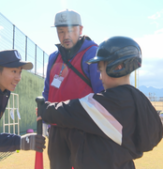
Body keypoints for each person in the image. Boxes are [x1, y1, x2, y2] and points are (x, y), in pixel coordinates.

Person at [38, 36, 163, 169]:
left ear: (118, 67)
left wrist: (44, 110)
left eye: (102, 70)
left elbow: (71, 110)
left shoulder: (111, 103)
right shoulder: (138, 100)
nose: (99, 76)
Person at [42, 9, 104, 168]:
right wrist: (44, 116)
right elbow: (48, 91)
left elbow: (101, 93)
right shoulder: (53, 57)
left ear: (81, 29)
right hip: (57, 129)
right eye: (60, 31)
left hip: (84, 129)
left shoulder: (93, 54)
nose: (65, 36)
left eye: (70, 30)